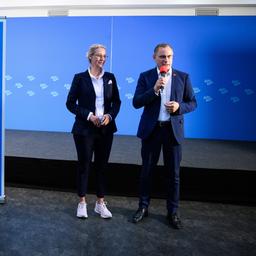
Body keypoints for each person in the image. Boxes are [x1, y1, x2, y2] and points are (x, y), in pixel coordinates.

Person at [132, 43, 197, 229]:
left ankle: (173, 212)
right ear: (154, 57)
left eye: (169, 56)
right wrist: (153, 90)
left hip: (172, 131)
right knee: (147, 172)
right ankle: (143, 208)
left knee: (174, 175)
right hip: (151, 132)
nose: (165, 59)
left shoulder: (183, 77)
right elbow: (136, 102)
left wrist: (179, 107)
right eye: (162, 56)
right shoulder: (146, 76)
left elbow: (193, 103)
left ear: (172, 57)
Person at [66, 44, 121, 219]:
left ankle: (100, 203)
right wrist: (89, 116)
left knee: (102, 166)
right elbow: (70, 103)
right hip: (84, 130)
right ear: (90, 57)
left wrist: (109, 116)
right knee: (84, 165)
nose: (102, 59)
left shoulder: (110, 78)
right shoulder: (79, 78)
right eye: (99, 56)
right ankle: (82, 202)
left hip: (105, 130)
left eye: (105, 56)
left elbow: (117, 102)